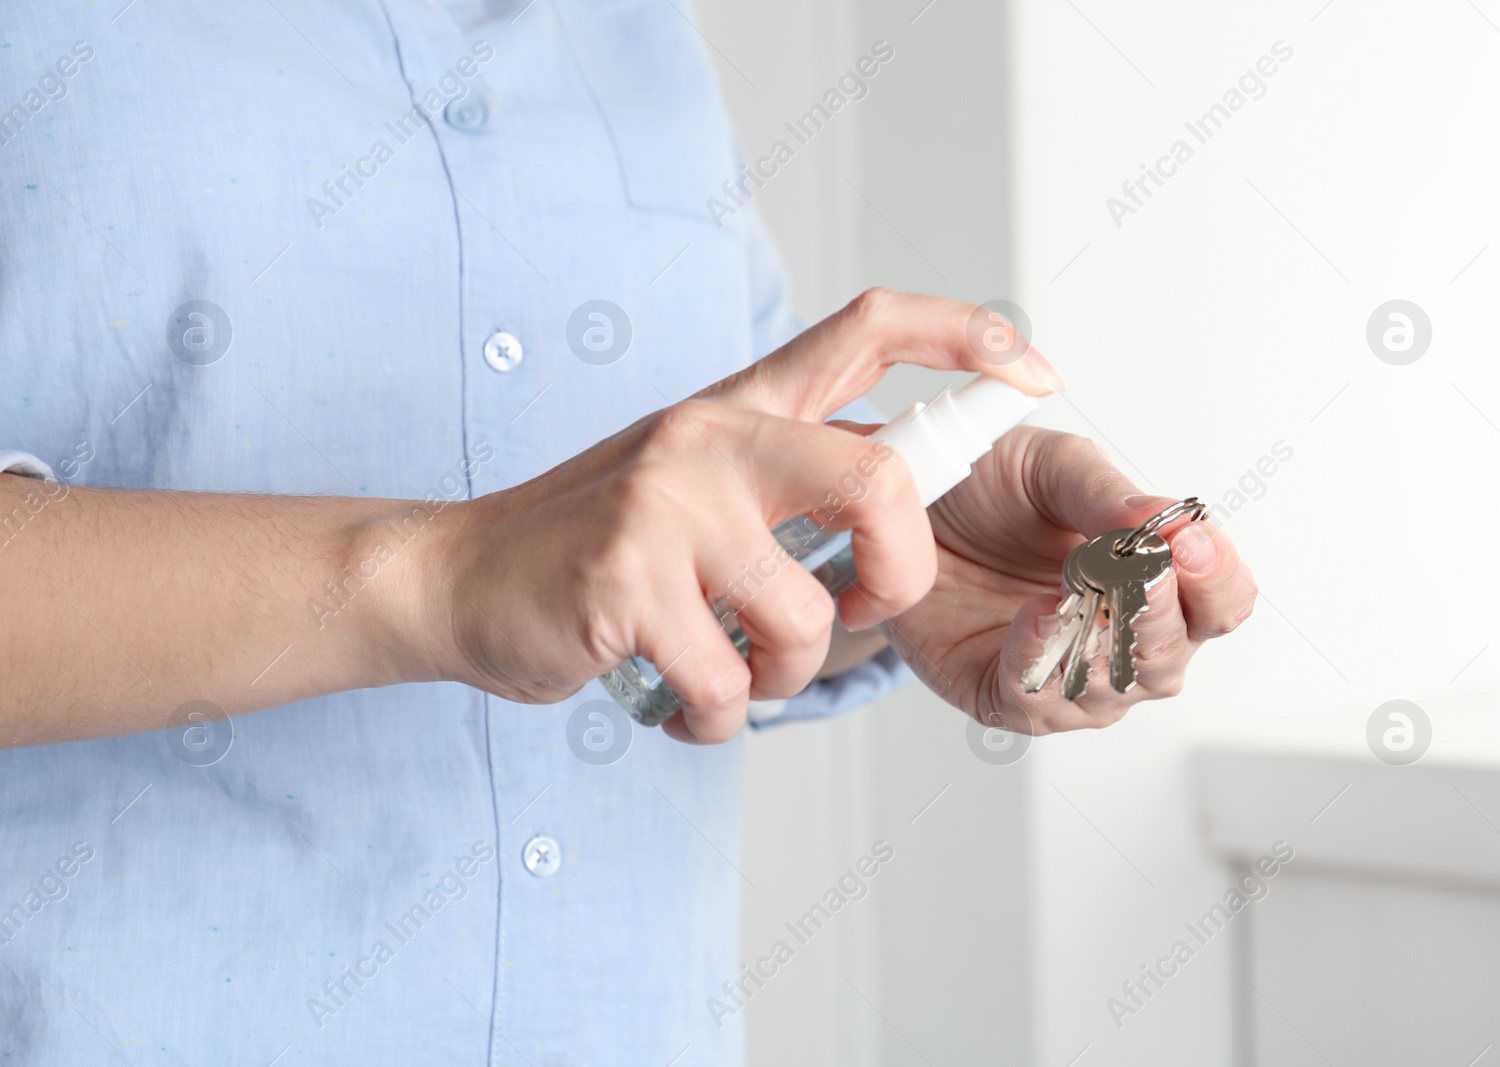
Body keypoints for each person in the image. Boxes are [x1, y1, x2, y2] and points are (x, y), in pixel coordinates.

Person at [0, 4, 1255, 1064]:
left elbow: (655, 544)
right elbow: (517, 560)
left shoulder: (639, 46)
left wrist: (893, 549)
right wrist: (434, 579)